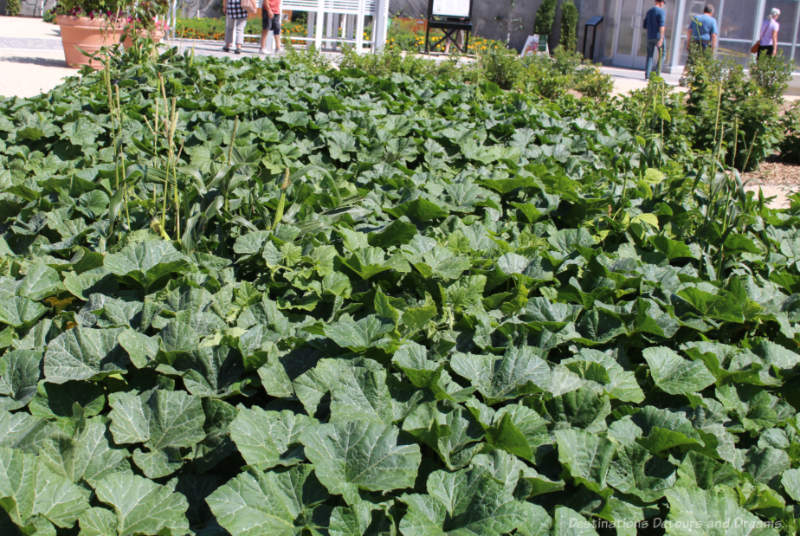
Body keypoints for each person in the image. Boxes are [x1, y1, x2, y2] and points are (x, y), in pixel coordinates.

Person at [643, 0, 666, 80]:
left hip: (650, 36)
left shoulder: (649, 12)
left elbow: (645, 25)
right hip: (658, 36)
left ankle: (647, 75)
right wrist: (661, 38)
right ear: (661, 2)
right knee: (662, 55)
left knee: (649, 56)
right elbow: (662, 25)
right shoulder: (661, 12)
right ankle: (657, 74)